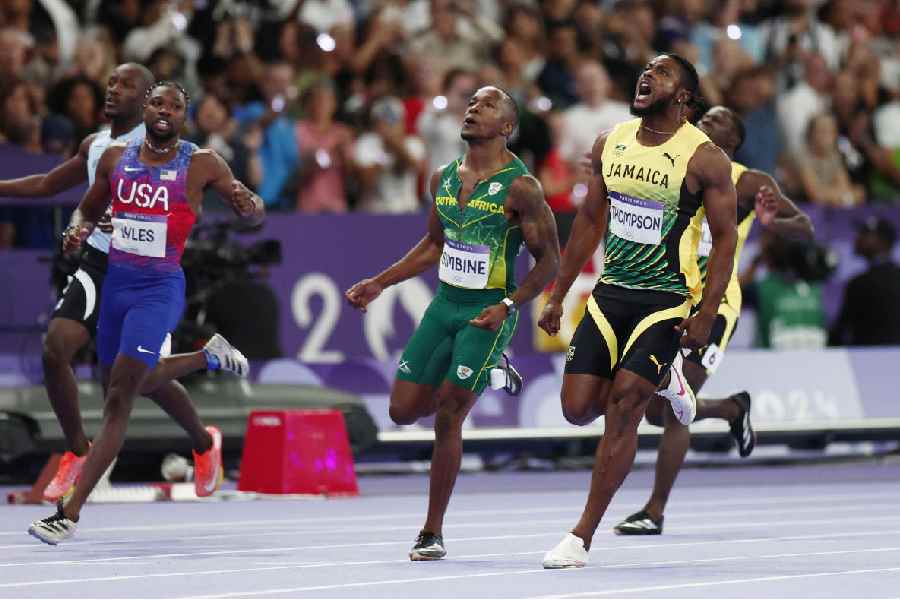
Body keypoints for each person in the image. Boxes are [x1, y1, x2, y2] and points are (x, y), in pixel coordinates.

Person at [27, 80, 265, 545]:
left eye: (175, 106)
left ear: (183, 117)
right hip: (115, 286)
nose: (165, 110)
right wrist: (76, 232)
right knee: (129, 381)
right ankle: (207, 358)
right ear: (146, 110)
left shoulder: (202, 163)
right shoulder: (117, 159)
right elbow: (87, 211)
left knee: (120, 397)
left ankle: (67, 514)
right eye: (157, 102)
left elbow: (253, 210)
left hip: (158, 289)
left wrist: (250, 206)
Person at [537, 54, 737, 568]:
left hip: (666, 300)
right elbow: (589, 220)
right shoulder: (611, 141)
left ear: (684, 98)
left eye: (662, 73)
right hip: (610, 295)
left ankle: (580, 536)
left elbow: (725, 241)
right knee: (578, 409)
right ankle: (667, 377)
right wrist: (558, 294)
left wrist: (706, 313)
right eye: (646, 70)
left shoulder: (704, 158)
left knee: (625, 406)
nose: (647, 76)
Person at [346, 86, 560, 561]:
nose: (474, 108)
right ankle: (488, 370)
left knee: (449, 413)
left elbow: (550, 260)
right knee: (402, 412)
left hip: (488, 313)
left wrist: (510, 305)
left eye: (487, 105)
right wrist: (379, 283)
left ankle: (431, 531)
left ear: (507, 127)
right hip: (445, 305)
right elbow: (433, 245)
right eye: (472, 103)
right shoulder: (441, 177)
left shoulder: (522, 188)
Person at [614, 106, 814, 536]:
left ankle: (654, 511)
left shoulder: (749, 182)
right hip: (668, 301)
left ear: (734, 139)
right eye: (704, 117)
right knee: (652, 410)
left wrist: (773, 223)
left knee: (674, 411)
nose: (706, 121)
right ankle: (730, 408)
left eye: (718, 119)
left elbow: (804, 227)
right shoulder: (673, 166)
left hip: (716, 307)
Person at [830, 217, 900, 346]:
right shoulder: (858, 282)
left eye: (864, 234)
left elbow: (839, 333)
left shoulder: (860, 284)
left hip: (867, 356)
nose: (857, 238)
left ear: (881, 241)